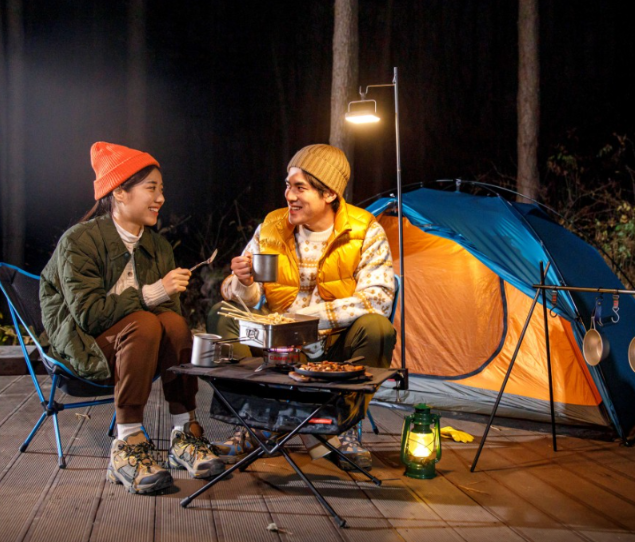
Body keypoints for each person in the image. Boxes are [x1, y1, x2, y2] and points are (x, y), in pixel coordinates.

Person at [40, 142, 224, 495]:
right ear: (119, 192)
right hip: (85, 347)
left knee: (174, 324)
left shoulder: (158, 246)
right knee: (145, 321)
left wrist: (162, 301)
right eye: (151, 188)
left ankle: (185, 434)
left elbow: (169, 317)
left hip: (141, 346)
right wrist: (153, 292)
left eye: (162, 189)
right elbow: (89, 316)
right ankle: (128, 445)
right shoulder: (79, 241)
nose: (160, 198)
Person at [207, 143, 396, 470]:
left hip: (334, 344)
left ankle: (343, 427)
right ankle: (253, 422)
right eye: (287, 185)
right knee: (222, 315)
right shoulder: (272, 227)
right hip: (277, 345)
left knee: (378, 328)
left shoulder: (365, 230)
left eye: (300, 187)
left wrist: (302, 320)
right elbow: (241, 297)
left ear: (329, 194)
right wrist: (244, 281)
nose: (289, 195)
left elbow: (378, 299)